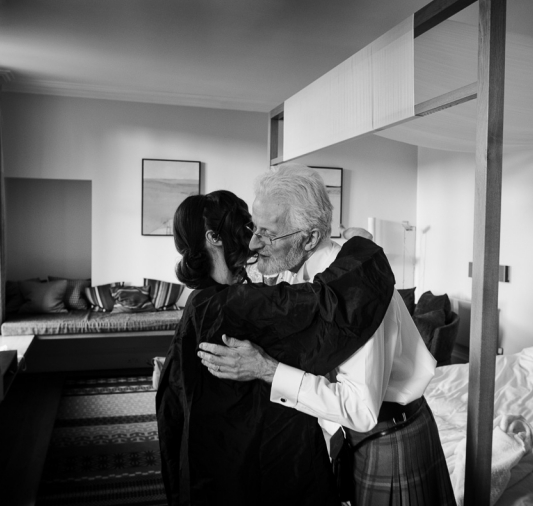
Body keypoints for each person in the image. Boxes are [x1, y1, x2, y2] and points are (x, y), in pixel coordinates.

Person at [198, 165, 456, 506]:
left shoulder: (352, 294)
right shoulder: (298, 277)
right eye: (253, 228)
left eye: (267, 233)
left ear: (309, 237)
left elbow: (360, 409)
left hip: (389, 436)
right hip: (355, 438)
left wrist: (266, 370)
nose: (253, 242)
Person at [155, 190, 397, 506]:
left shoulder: (205, 301)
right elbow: (331, 305)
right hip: (245, 472)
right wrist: (362, 245)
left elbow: (171, 405)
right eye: (246, 228)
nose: (253, 240)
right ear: (214, 237)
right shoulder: (229, 306)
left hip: (216, 470)